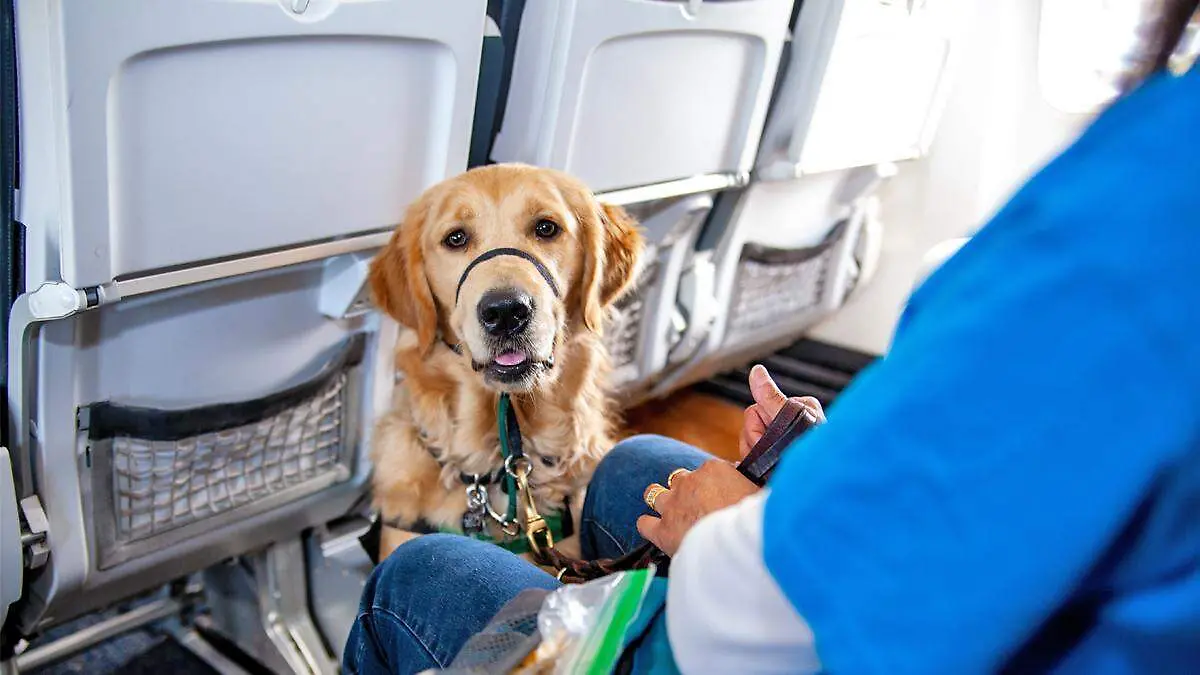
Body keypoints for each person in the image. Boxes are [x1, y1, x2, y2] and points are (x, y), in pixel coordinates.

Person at [345, 3, 1200, 672]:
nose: (503, 282)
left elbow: (795, 609)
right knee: (638, 469)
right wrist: (792, 480)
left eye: (542, 232)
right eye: (458, 243)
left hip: (762, 636)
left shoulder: (1140, 219)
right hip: (834, 589)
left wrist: (728, 529)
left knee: (413, 579)